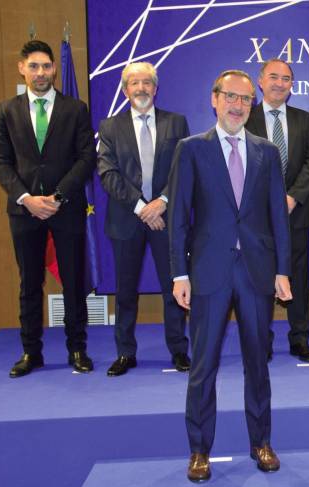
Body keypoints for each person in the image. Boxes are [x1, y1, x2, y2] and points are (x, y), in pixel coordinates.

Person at [168, 70, 292, 482]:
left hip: (256, 272)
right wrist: (179, 274)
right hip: (208, 272)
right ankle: (199, 449)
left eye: (245, 99)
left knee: (258, 362)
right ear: (214, 99)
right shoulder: (190, 150)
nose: (238, 105)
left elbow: (278, 217)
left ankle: (261, 443)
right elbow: (178, 220)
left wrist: (282, 270)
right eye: (231, 97)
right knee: (203, 364)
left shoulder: (267, 152)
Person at [0, 40, 96, 378]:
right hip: (24, 212)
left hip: (66, 209)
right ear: (22, 68)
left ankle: (77, 348)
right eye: (33, 66)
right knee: (29, 284)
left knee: (73, 284)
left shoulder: (75, 109)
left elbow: (86, 158)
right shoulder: (6, 110)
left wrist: (58, 197)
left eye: (46, 66)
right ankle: (30, 352)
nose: (40, 73)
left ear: (54, 69)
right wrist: (27, 199)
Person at [97, 62, 191, 376]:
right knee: (125, 292)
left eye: (147, 82)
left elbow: (183, 168)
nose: (141, 88)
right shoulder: (110, 127)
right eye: (135, 83)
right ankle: (125, 353)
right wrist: (142, 208)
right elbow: (108, 174)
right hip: (127, 219)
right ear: (126, 90)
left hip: (166, 218)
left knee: (174, 289)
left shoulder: (176, 123)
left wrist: (162, 202)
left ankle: (179, 350)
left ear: (155, 87)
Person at [246, 58, 309, 363]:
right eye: (273, 77)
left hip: (296, 210)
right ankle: (261, 339)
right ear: (260, 81)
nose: (280, 83)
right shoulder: (245, 118)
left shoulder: (305, 118)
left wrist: (291, 198)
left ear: (292, 85)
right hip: (255, 214)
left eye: (286, 78)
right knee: (259, 278)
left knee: (299, 277)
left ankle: (300, 338)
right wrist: (268, 202)